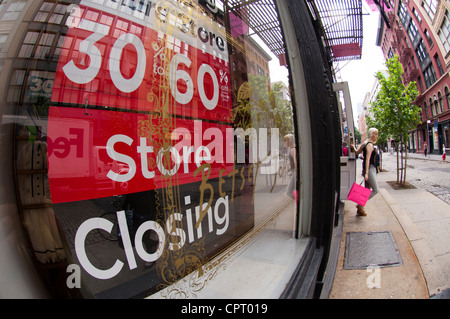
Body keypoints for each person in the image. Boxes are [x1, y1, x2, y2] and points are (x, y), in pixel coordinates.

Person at [350, 128, 380, 216]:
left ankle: (360, 210)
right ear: (371, 134)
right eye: (375, 134)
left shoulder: (365, 144)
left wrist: (353, 147)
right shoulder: (369, 145)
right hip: (369, 169)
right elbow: (367, 160)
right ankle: (359, 204)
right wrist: (366, 173)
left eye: (377, 134)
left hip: (370, 169)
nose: (377, 136)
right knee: (375, 190)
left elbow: (356, 152)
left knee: (367, 189)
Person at [284, 134, 297, 201]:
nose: (285, 142)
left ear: (290, 141)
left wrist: (297, 173)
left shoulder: (293, 150)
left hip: (295, 172)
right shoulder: (293, 149)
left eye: (286, 140)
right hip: (294, 172)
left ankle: (299, 202)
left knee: (289, 192)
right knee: (289, 192)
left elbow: (295, 161)